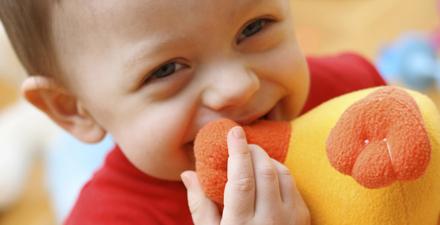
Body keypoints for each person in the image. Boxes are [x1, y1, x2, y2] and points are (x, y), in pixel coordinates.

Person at [0, 0, 385, 224]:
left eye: (254, 27)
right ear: (74, 111)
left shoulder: (355, 97)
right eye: (165, 70)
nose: (238, 86)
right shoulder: (111, 218)